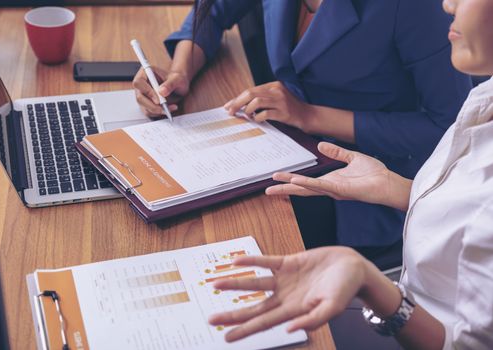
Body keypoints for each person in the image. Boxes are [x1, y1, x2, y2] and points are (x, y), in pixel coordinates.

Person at [207, 0, 493, 348]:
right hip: (402, 275)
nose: (447, 4)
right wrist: (399, 189)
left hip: (400, 306)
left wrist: (372, 287)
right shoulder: (484, 99)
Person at [133, 0, 472, 260]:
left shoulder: (417, 7)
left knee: (226, 245)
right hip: (282, 143)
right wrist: (180, 72)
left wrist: (308, 115)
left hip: (369, 188)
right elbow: (215, 10)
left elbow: (448, 129)